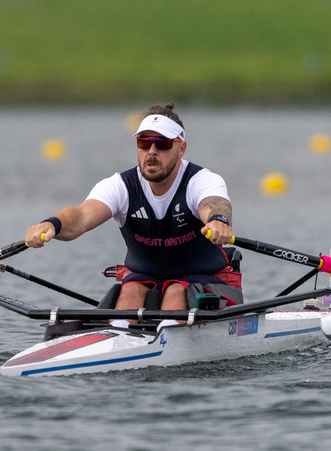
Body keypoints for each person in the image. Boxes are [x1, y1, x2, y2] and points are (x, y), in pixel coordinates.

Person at [24, 103, 236, 326]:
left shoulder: (201, 180)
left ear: (181, 148)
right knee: (130, 290)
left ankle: (164, 342)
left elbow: (214, 204)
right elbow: (82, 216)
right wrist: (52, 224)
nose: (152, 151)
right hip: (144, 279)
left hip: (202, 279)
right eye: (144, 142)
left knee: (175, 291)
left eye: (162, 144)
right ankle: (119, 344)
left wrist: (218, 221)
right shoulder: (120, 186)